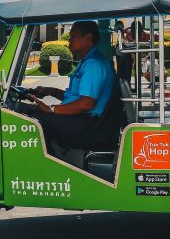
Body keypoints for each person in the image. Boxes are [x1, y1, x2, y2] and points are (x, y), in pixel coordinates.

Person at [25, 20, 116, 148]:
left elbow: (86, 104)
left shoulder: (94, 64)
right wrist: (49, 91)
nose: (70, 40)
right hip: (81, 117)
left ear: (88, 37)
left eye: (74, 36)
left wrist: (52, 109)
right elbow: (75, 97)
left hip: (86, 121)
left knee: (31, 121)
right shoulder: (85, 61)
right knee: (30, 111)